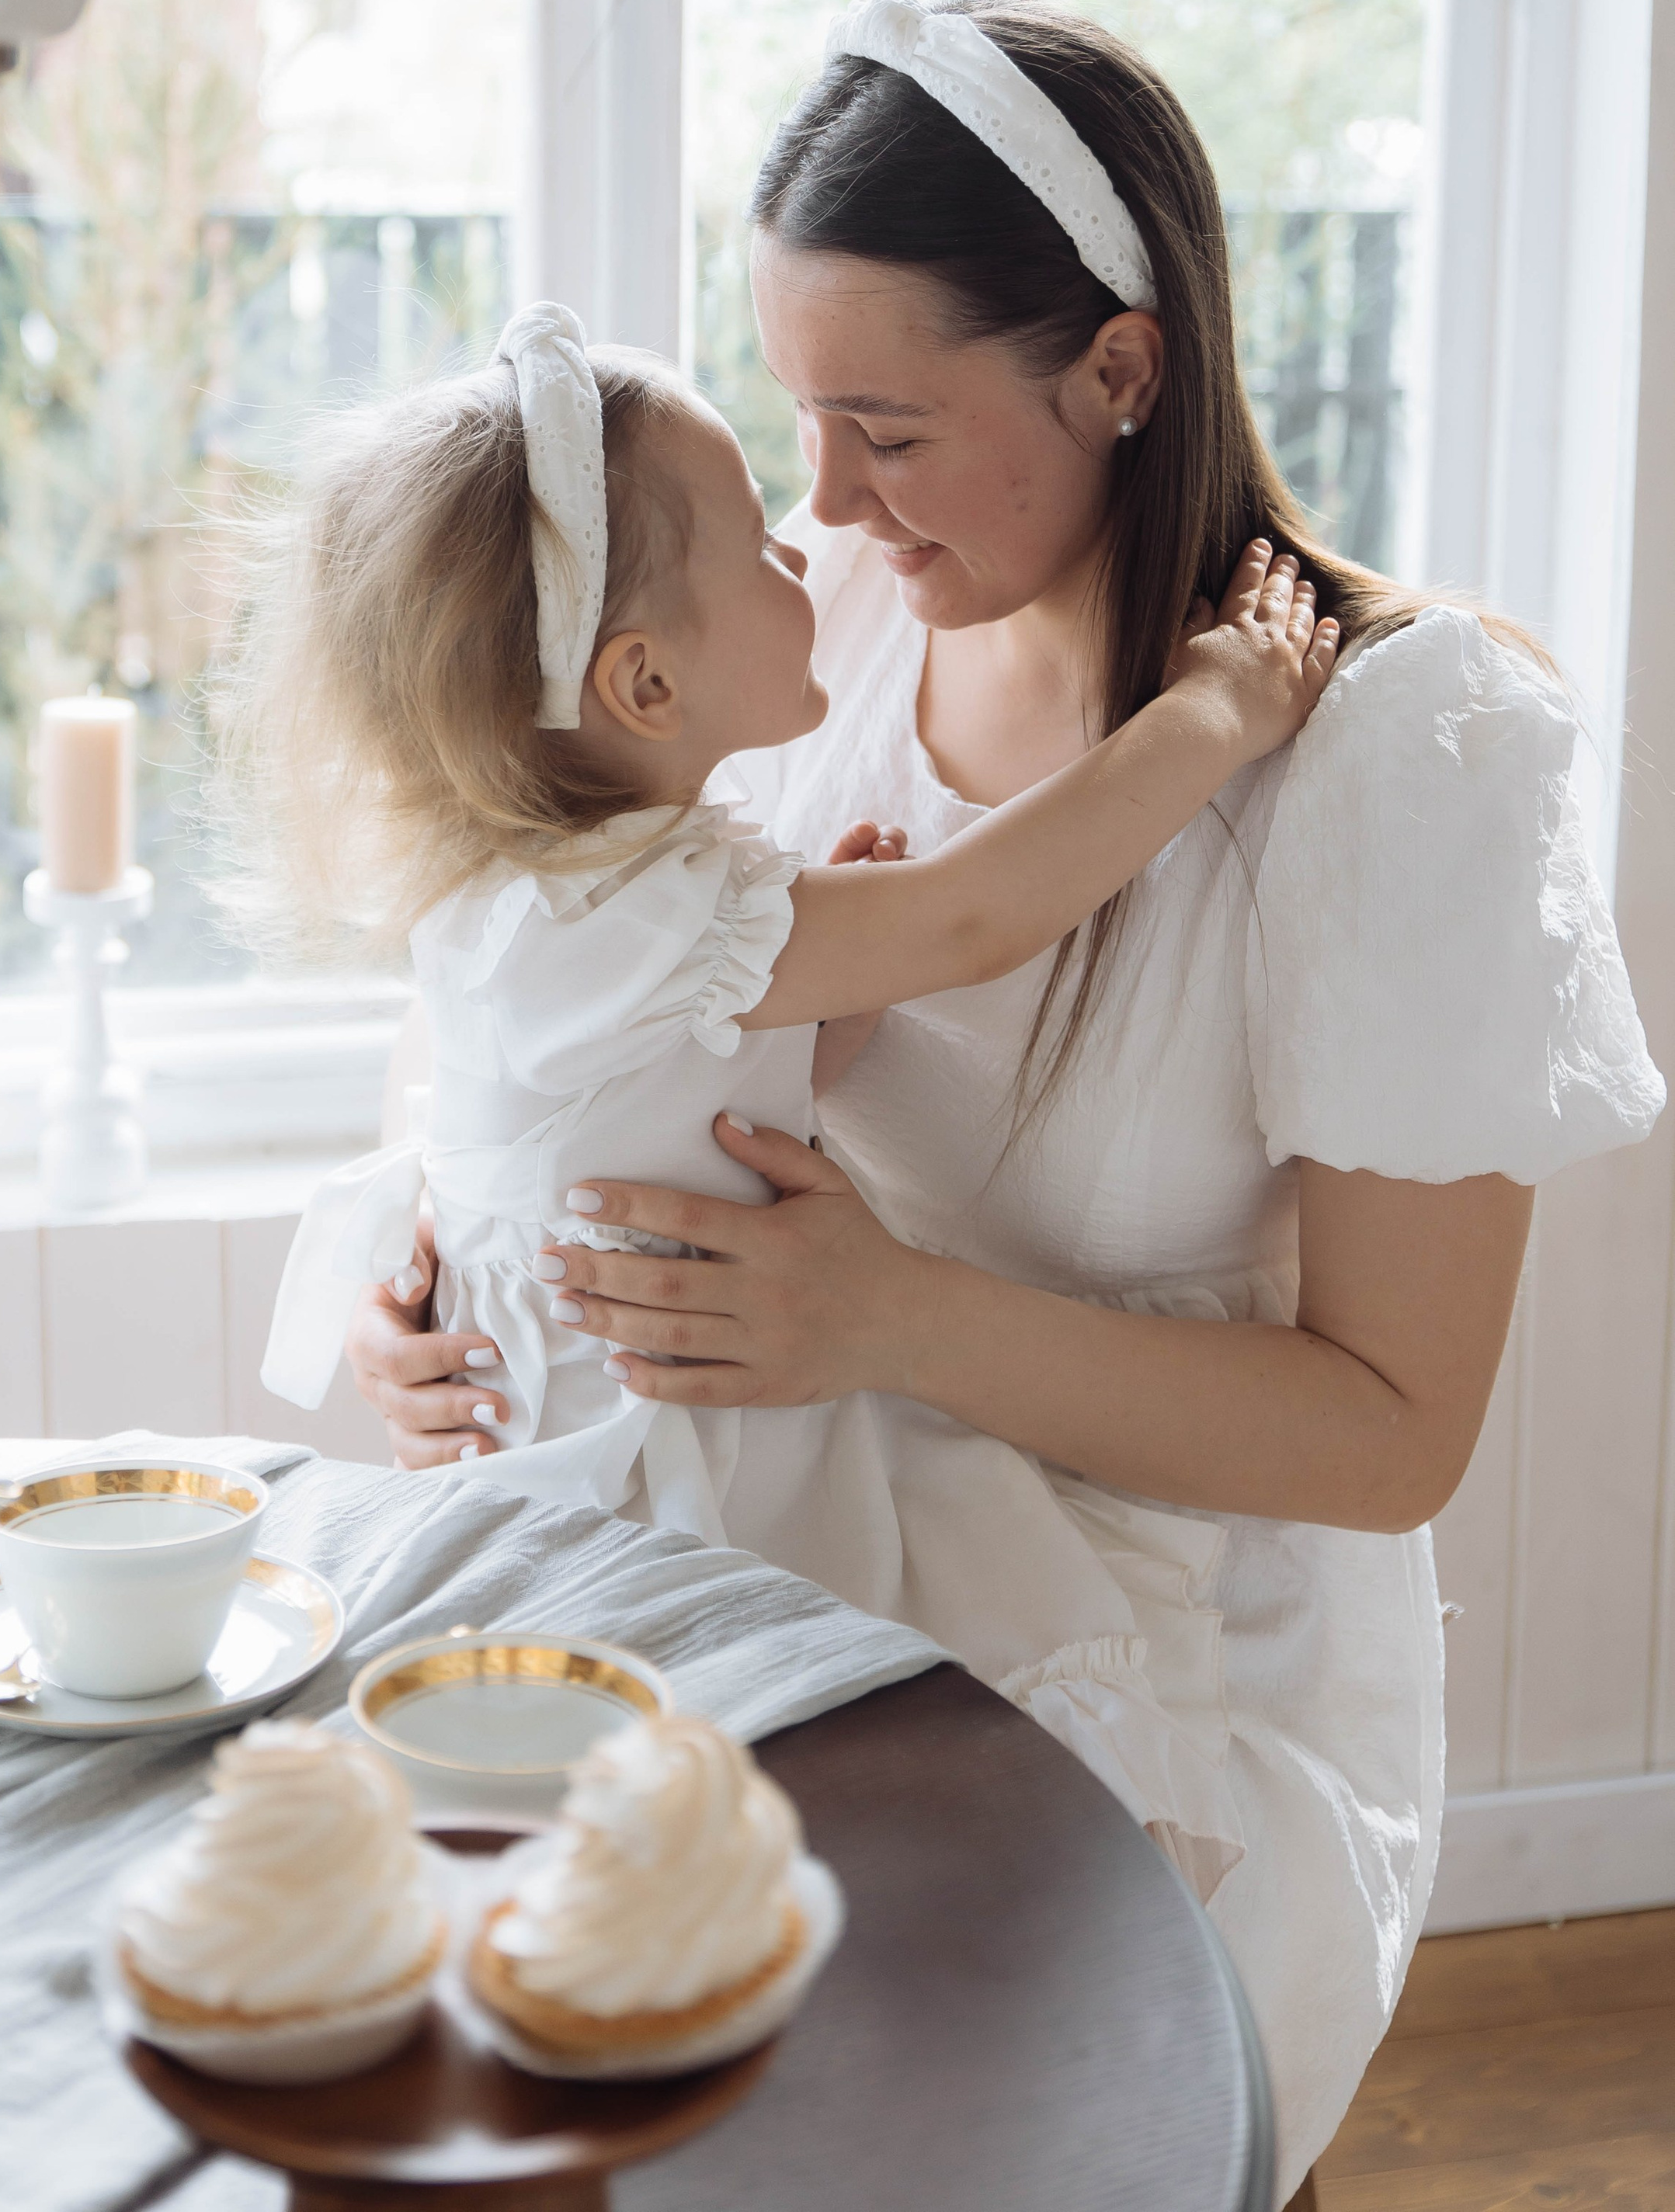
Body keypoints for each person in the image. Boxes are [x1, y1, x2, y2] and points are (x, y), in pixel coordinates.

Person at [348, 0, 1666, 2202]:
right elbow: (572, 962)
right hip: (785, 1541)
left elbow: (1395, 1436)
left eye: (887, 426)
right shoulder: (831, 618)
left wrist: (884, 1322)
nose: (831, 504)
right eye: (800, 427)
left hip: (1155, 1674)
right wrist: (454, 1250)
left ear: (1121, 369)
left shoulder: (1403, 748)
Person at [226, 255, 1337, 1863]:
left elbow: (685, 1095)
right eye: (758, 545)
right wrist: (1211, 717)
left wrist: (821, 979)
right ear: (646, 683)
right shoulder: (660, 905)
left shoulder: (545, 893)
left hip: (580, 1389)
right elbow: (974, 919)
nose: (808, 554)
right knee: (767, 1781)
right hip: (672, 1442)